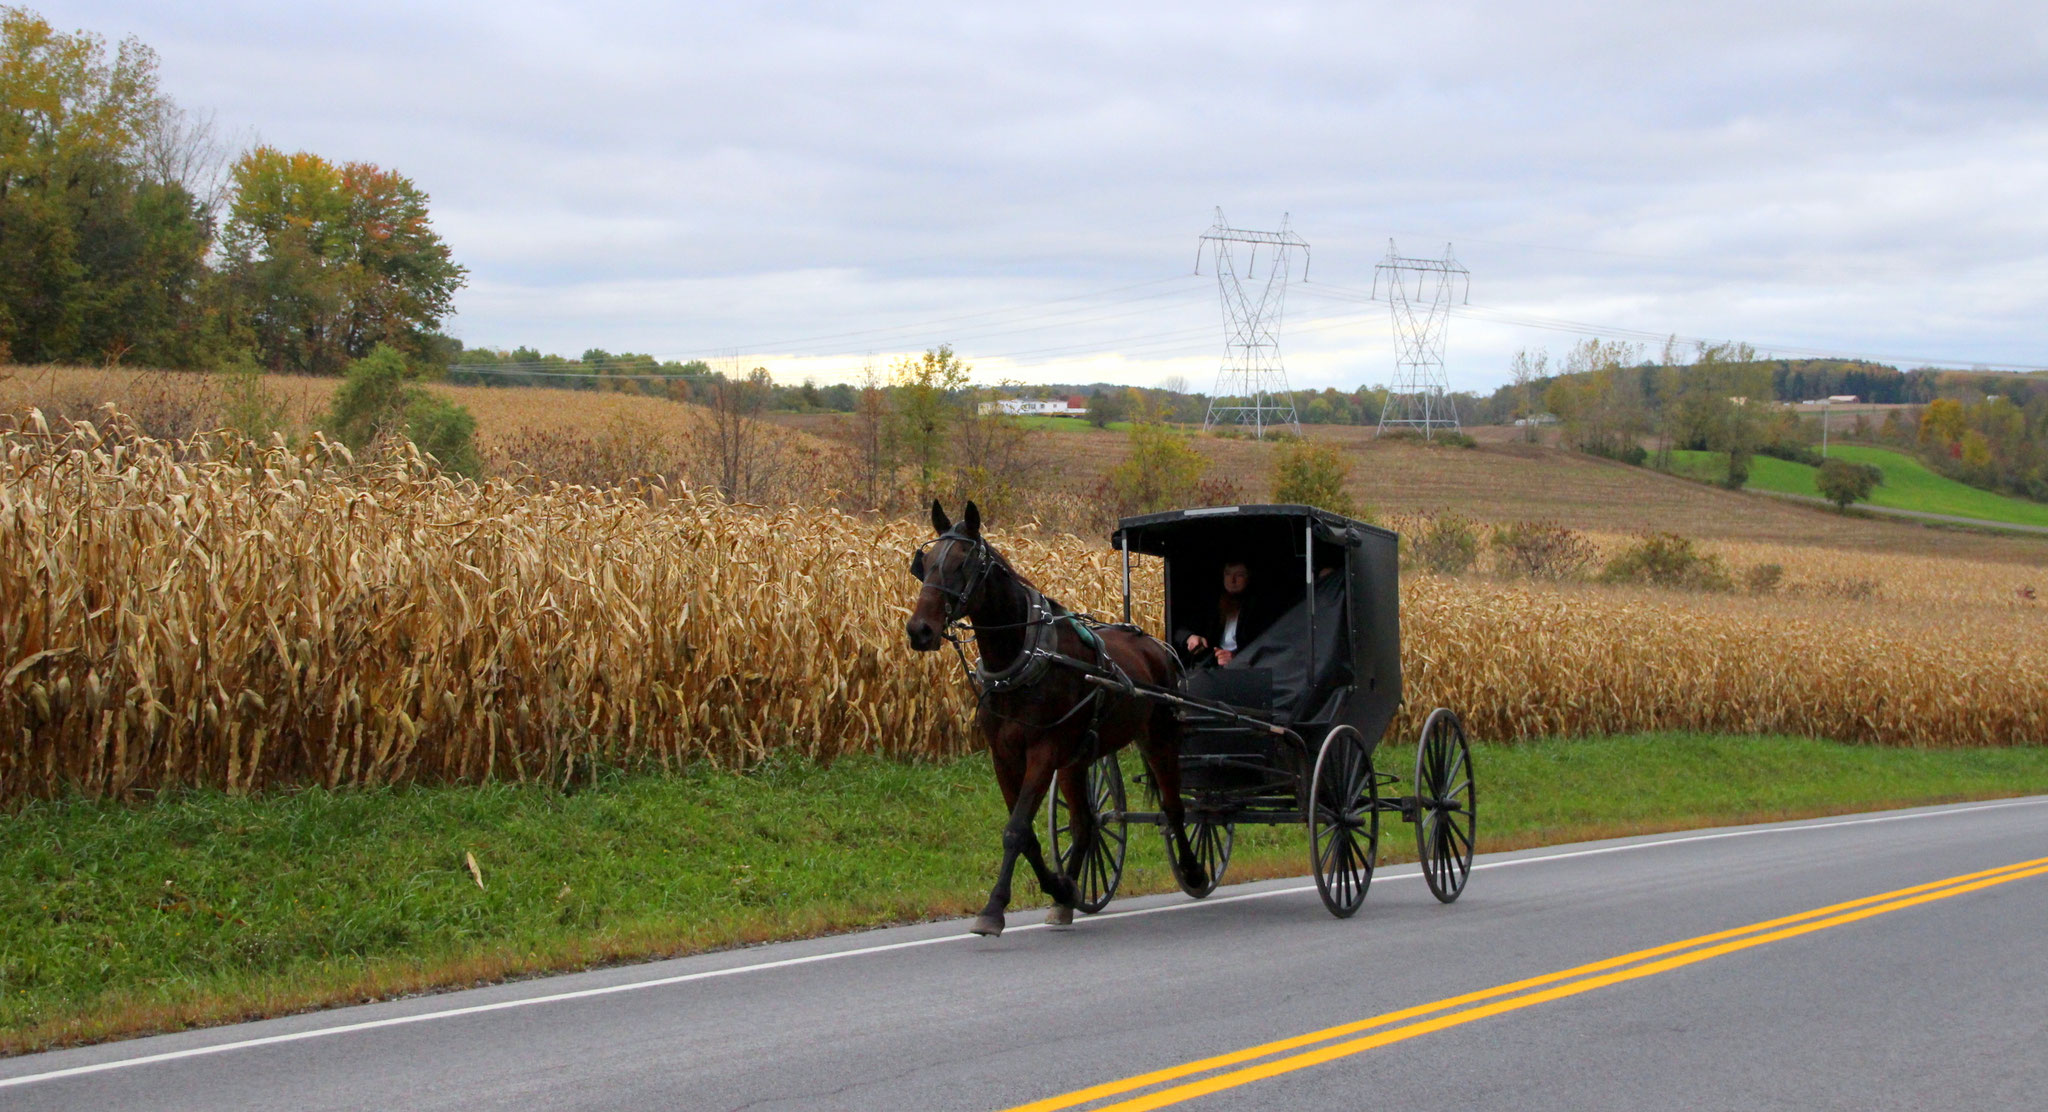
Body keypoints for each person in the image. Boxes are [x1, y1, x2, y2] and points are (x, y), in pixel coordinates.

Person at [1178, 560, 1266, 667]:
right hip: (1210, 668)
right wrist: (1190, 637)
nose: (1232, 580)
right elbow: (1181, 630)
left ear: (1249, 578)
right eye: (1228, 574)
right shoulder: (1212, 603)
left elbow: (1264, 646)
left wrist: (1236, 658)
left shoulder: (1258, 608)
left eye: (1239, 575)